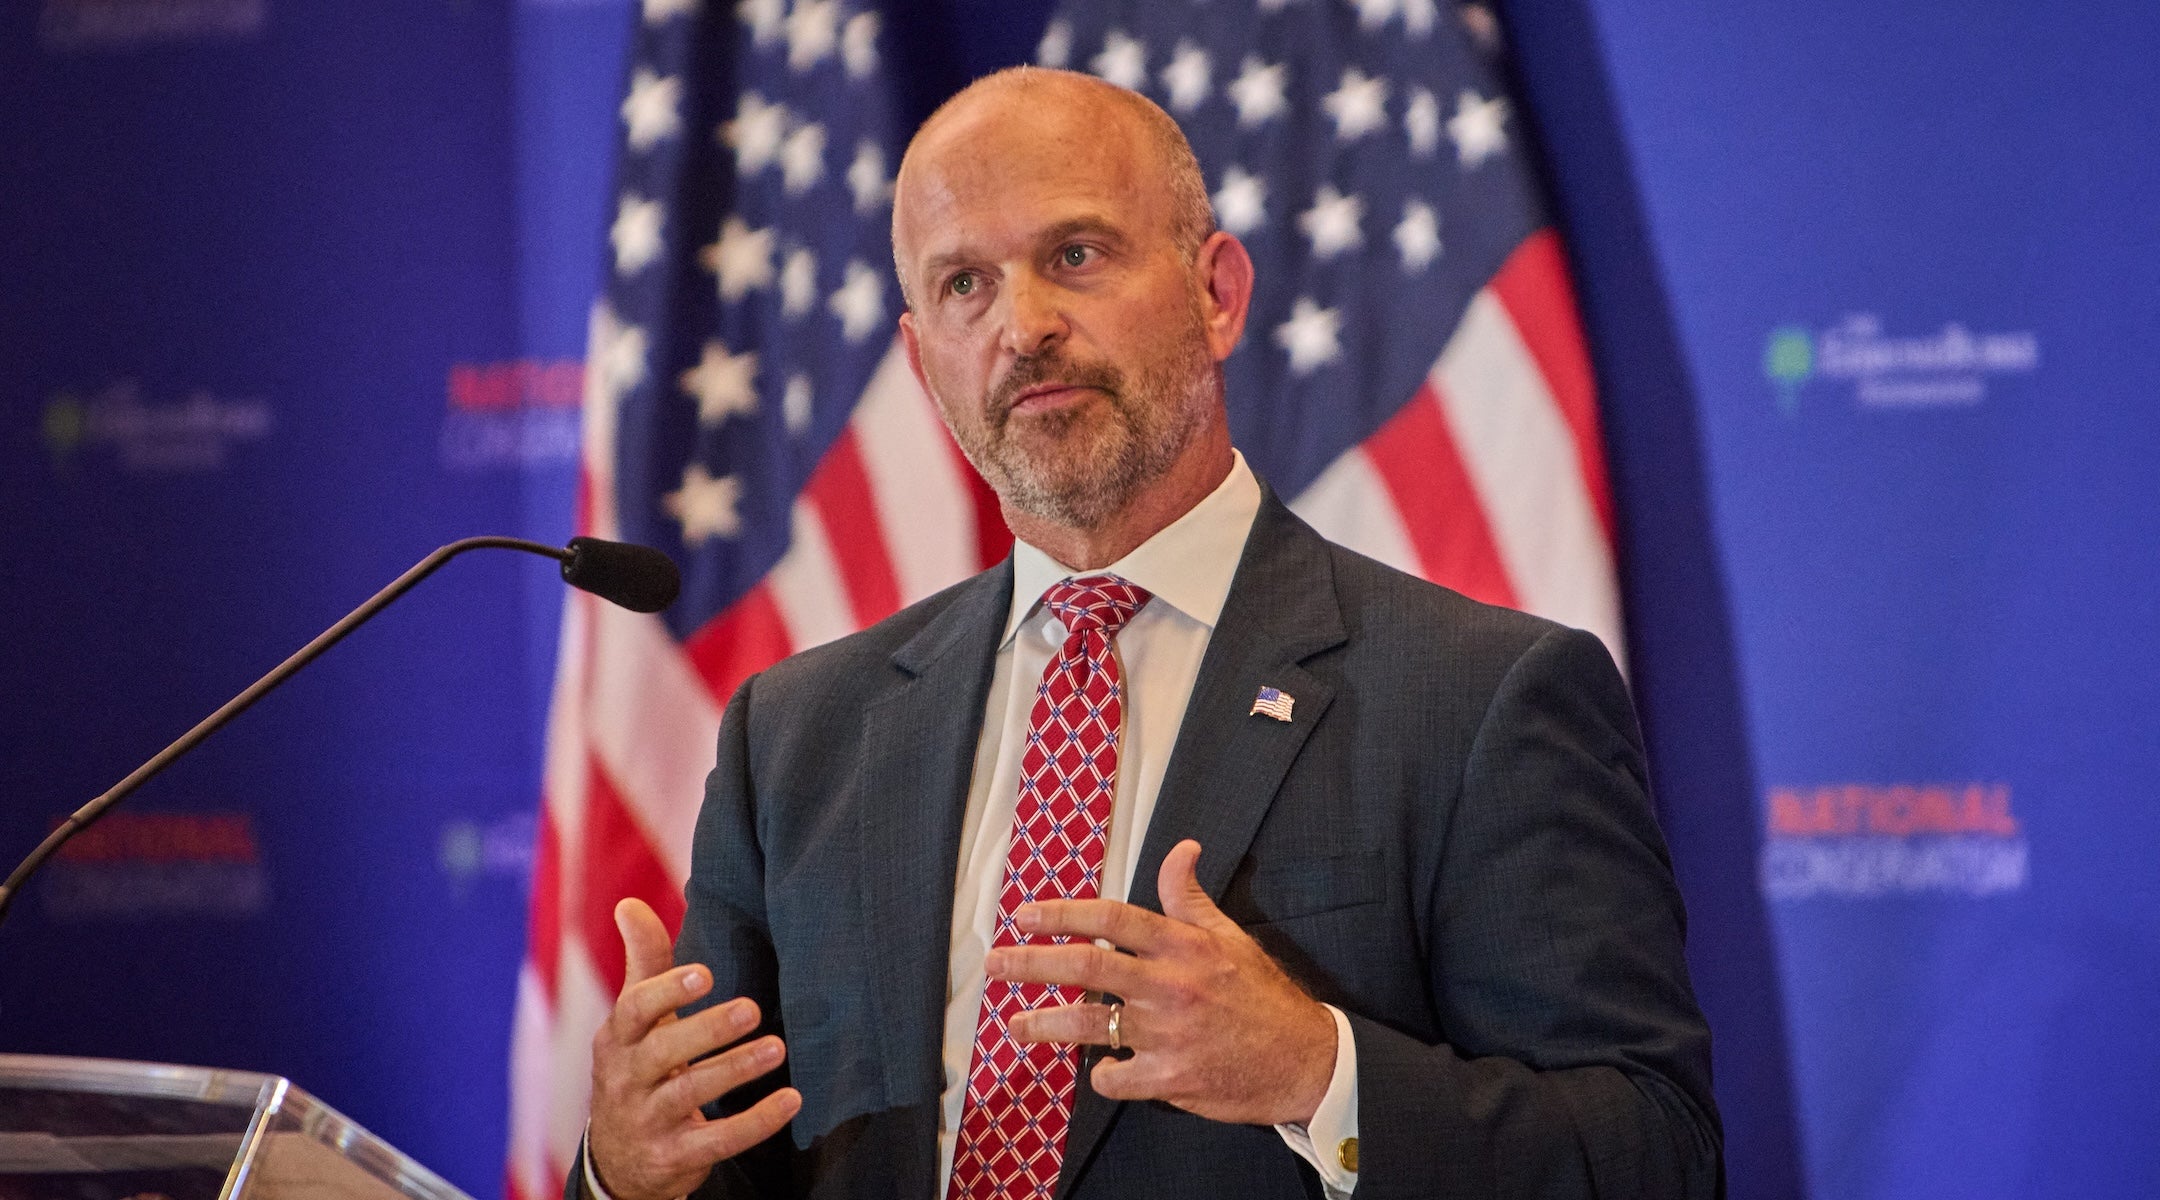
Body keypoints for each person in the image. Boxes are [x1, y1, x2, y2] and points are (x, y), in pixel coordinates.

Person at [577, 67, 1720, 1200]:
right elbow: (724, 1158)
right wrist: (625, 1172)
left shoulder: (1481, 698)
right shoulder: (799, 737)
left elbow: (1656, 1155)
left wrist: (1321, 1072)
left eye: (1075, 255)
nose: (1023, 326)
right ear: (924, 363)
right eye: (965, 284)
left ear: (1217, 294)